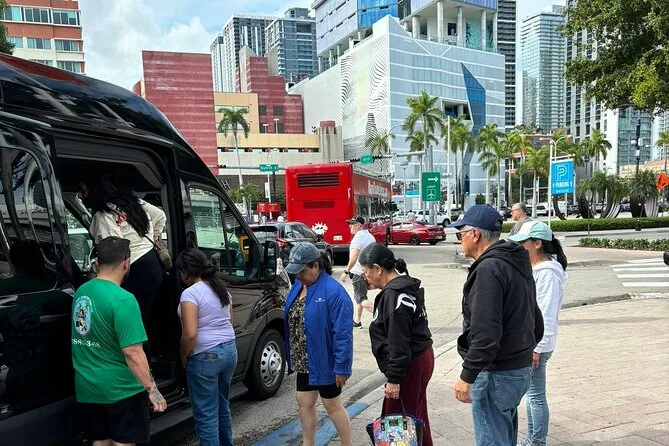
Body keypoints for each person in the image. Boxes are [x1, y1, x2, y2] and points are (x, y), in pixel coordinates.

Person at [449, 205, 544, 446]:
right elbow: (535, 318)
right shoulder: (514, 261)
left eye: (460, 234)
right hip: (518, 368)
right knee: (504, 437)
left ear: (475, 235)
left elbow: (485, 332)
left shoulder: (489, 269)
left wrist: (467, 376)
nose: (460, 240)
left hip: (497, 372)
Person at [71, 236, 167, 446]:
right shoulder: (124, 299)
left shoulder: (82, 292)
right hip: (122, 389)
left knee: (100, 441)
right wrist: (152, 390)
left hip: (88, 387)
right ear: (126, 263)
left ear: (98, 262)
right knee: (123, 442)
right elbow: (133, 352)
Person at [360, 243, 434, 446]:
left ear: (377, 268)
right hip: (421, 356)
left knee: (398, 423)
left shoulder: (394, 294)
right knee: (415, 417)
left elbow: (398, 340)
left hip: (409, 362)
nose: (365, 277)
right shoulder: (404, 287)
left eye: (366, 272)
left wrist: (394, 379)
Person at [283, 243, 354, 446]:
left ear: (315, 265)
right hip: (304, 359)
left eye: (301, 271)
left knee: (332, 405)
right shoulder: (299, 286)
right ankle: (308, 443)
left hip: (324, 360)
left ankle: (347, 444)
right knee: (304, 402)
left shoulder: (334, 292)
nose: (298, 276)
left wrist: (342, 366)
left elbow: (343, 334)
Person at [509, 221, 568, 446]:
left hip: (538, 344)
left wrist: (537, 347)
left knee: (535, 396)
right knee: (532, 395)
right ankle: (532, 439)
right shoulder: (537, 269)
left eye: (523, 243)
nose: (520, 247)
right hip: (532, 341)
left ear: (537, 244)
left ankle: (537, 441)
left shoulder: (547, 274)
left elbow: (547, 313)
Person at [79, 178, 167, 325]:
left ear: (95, 190)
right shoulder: (133, 202)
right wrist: (150, 240)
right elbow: (160, 216)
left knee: (129, 322)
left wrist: (94, 271)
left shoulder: (104, 215)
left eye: (83, 190)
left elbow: (113, 250)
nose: (79, 195)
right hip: (153, 264)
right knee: (143, 317)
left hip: (133, 269)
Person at [176, 249, 237, 446]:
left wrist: (183, 356)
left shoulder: (190, 294)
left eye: (179, 272)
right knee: (222, 406)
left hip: (205, 356)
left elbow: (190, 334)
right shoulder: (221, 289)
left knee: (206, 414)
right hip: (229, 350)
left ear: (186, 272)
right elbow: (229, 321)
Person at [340, 216, 375, 327]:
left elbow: (354, 256)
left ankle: (383, 314)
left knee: (361, 299)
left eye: (352, 224)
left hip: (358, 273)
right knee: (360, 296)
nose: (350, 226)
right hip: (367, 271)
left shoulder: (358, 238)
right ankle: (357, 320)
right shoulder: (370, 236)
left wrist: (346, 271)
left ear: (358, 225)